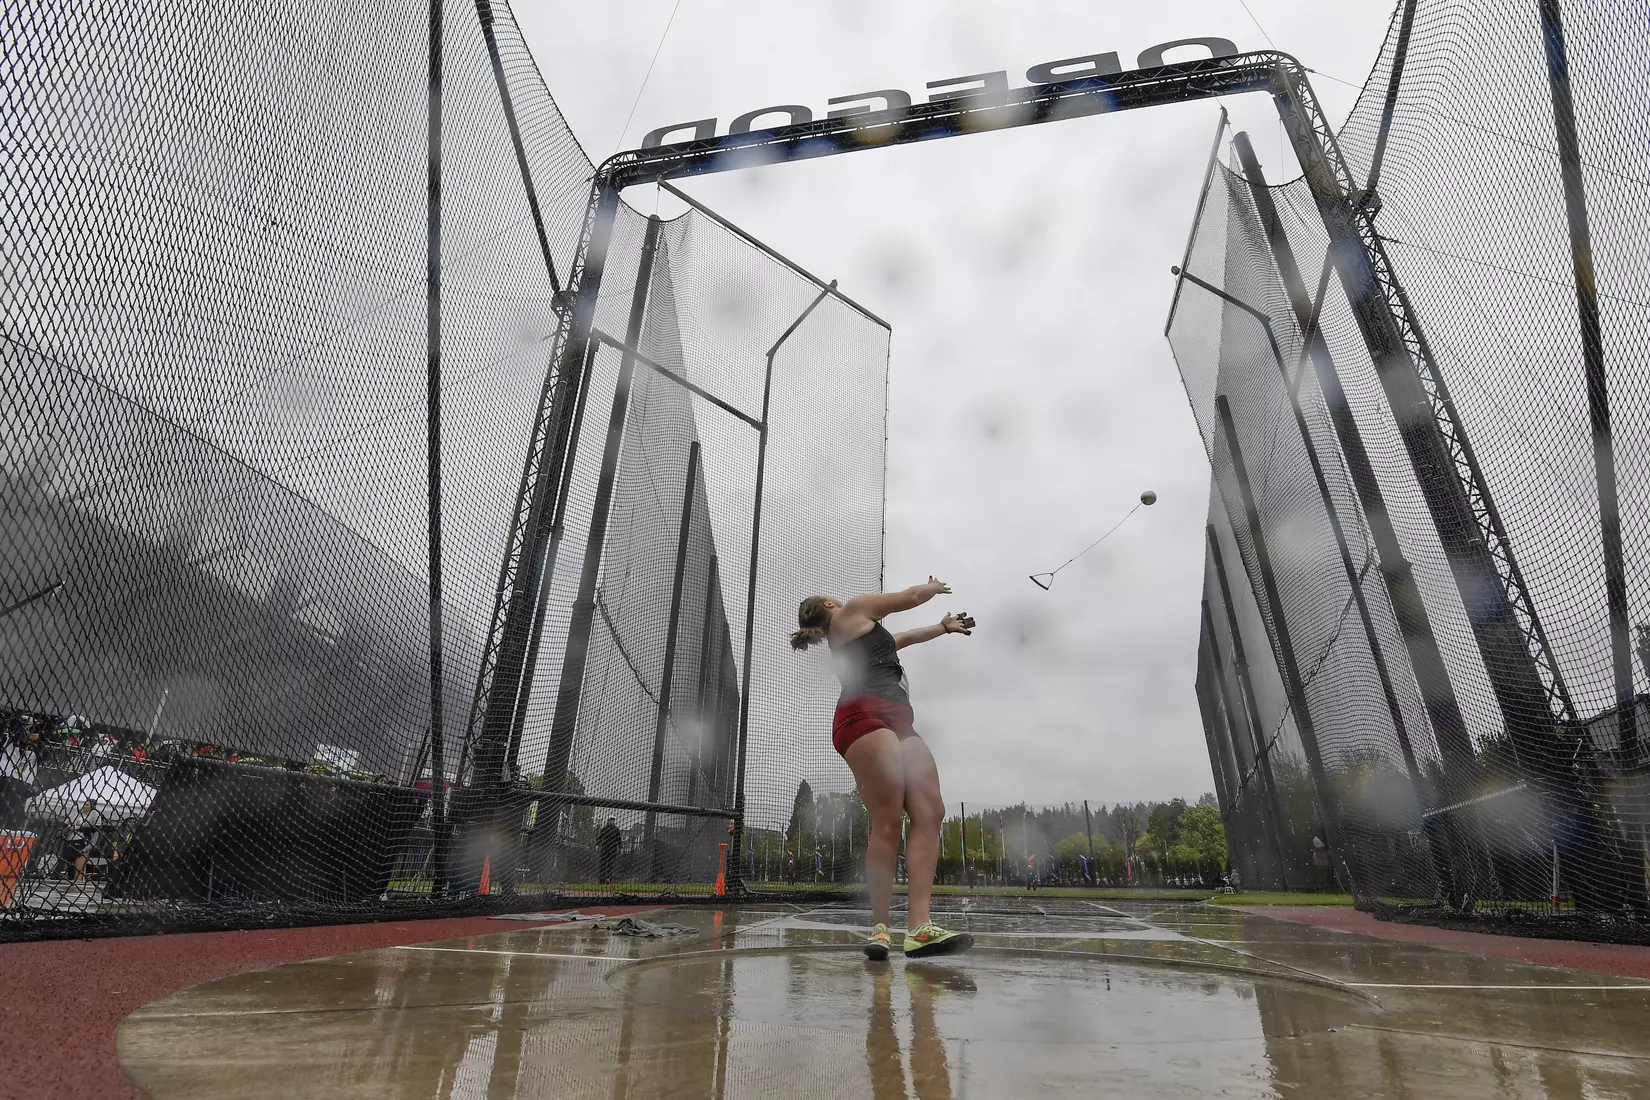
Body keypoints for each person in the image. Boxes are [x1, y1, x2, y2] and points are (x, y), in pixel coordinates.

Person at [791, 577, 976, 960]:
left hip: (899, 720)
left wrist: (943, 628)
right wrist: (932, 588)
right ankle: (880, 929)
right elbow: (910, 597)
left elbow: (903, 637)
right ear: (829, 605)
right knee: (888, 818)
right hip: (864, 717)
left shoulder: (860, 632)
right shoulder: (852, 611)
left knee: (930, 811)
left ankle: (920, 928)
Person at [0, 714, 42, 831]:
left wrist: (36, 734)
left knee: (14, 816)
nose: (28, 733)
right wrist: (17, 720)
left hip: (22, 786)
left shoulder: (36, 751)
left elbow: (45, 754)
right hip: (4, 779)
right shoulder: (8, 741)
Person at [60, 798, 105, 884]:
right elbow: (65, 825)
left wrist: (84, 849)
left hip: (83, 844)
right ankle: (70, 880)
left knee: (78, 867)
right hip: (71, 841)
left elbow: (93, 840)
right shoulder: (76, 813)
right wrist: (69, 828)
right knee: (69, 863)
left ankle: (77, 882)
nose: (85, 806)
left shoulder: (95, 822)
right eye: (85, 804)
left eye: (88, 805)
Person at [596, 817, 622, 885]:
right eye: (610, 820)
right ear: (608, 821)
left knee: (610, 865)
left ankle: (608, 880)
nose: (612, 821)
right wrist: (597, 844)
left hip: (613, 849)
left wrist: (621, 848)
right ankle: (601, 881)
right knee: (603, 865)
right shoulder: (604, 829)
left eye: (613, 820)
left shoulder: (616, 829)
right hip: (605, 849)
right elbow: (600, 837)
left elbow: (619, 839)